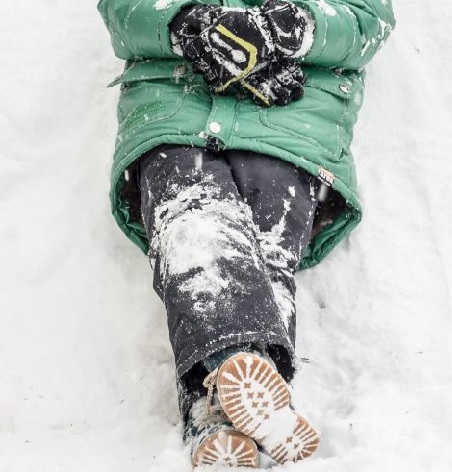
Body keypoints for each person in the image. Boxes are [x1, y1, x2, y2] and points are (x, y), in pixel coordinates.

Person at [97, 0, 395, 467]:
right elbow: (124, 10)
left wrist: (286, 29)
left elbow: (366, 23)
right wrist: (189, 24)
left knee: (261, 250)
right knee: (194, 223)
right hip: (177, 121)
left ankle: (211, 413)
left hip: (289, 129)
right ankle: (253, 390)